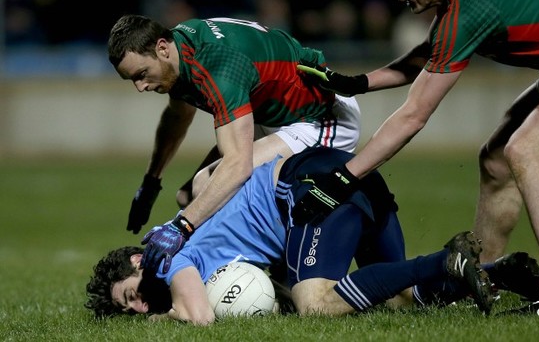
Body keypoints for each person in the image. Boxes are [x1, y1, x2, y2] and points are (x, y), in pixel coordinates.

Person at [293, 0, 539, 312]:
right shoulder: (455, 13)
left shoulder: (469, 12)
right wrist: (358, 83)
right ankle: (482, 282)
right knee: (496, 163)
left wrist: (344, 178)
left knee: (525, 150)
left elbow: (413, 116)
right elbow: (425, 57)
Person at [86, 147, 500, 322]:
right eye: (131, 310)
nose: (140, 308)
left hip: (310, 190)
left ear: (140, 261)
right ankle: (506, 274)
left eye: (131, 296)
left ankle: (445, 260)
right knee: (399, 299)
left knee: (316, 305)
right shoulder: (192, 224)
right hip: (346, 172)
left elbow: (201, 319)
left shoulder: (169, 255)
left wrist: (162, 317)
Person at [107, 15, 362, 271]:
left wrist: (180, 227)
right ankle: (230, 273)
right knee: (188, 196)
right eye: (132, 80)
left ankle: (257, 276)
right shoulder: (177, 52)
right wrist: (152, 181)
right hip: (272, 112)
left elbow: (238, 166)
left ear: (161, 48)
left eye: (141, 74)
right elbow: (178, 115)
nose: (140, 87)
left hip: (321, 117)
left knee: (208, 183)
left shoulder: (219, 67)